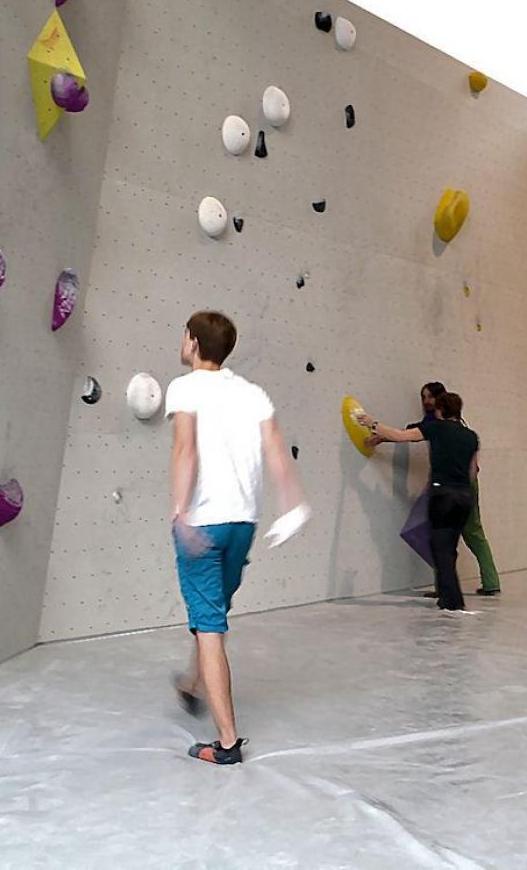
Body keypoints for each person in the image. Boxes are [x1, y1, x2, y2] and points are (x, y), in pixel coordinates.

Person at [166, 311, 309, 765]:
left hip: (205, 523)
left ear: (192, 342)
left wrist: (179, 511)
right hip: (242, 525)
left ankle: (226, 743)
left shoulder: (185, 387)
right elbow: (275, 450)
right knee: (213, 612)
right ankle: (192, 684)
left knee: (210, 626)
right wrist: (294, 504)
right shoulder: (253, 393)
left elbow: (185, 448)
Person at [358, 392, 479, 611]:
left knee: (440, 548)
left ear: (440, 410)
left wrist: (371, 423)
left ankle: (453, 602)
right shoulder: (471, 436)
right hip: (464, 497)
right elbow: (472, 471)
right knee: (448, 548)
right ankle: (447, 597)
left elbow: (400, 436)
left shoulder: (436, 428)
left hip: (442, 495)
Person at [405, 383, 501, 598]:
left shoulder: (436, 423)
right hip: (465, 484)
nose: (426, 402)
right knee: (467, 534)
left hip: (455, 486)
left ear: (440, 403)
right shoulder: (460, 426)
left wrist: (378, 433)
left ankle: (449, 587)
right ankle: (489, 581)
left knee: (446, 536)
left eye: (429, 397)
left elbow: (410, 433)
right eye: (423, 397)